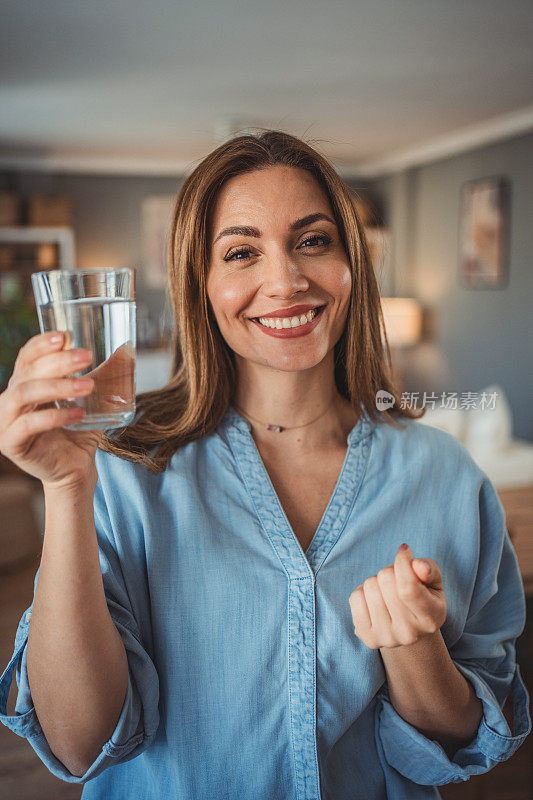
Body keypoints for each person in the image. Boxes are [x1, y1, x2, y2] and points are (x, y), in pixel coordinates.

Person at [0, 130, 530, 800]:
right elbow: (80, 744)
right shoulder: (123, 471)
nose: (285, 281)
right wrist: (67, 486)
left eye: (313, 241)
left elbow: (458, 744)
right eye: (241, 252)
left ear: (350, 267)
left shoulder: (447, 477)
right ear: (202, 283)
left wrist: (413, 648)